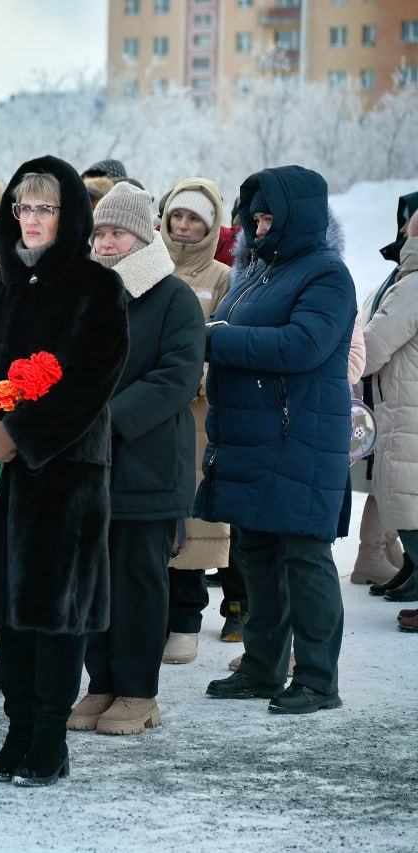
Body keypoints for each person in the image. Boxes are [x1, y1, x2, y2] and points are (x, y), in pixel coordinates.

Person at [0, 157, 129, 786]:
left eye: (45, 207)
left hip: (62, 474)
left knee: (55, 612)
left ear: (69, 214)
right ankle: (17, 729)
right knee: (9, 612)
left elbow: (93, 382)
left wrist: (21, 434)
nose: (31, 219)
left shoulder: (97, 289)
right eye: (23, 206)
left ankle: (49, 738)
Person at [200, 166, 355, 715]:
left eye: (268, 218)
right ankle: (263, 670)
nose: (258, 229)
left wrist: (215, 339)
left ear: (298, 216)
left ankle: (317, 680)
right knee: (258, 556)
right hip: (253, 437)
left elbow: (301, 346)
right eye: (255, 218)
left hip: (300, 439)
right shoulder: (258, 274)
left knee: (304, 560)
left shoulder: (327, 275)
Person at [67, 182, 203, 736]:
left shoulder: (173, 297)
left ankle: (138, 692)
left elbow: (178, 376)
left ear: (142, 236)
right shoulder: (83, 295)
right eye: (98, 232)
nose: (103, 242)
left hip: (145, 464)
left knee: (138, 582)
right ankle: (100, 684)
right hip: (85, 466)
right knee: (92, 582)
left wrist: (105, 420)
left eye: (115, 232)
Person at [159, 178, 244, 660]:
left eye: (195, 219)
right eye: (178, 216)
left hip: (196, 416)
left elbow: (225, 341)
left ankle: (187, 621)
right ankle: (155, 617)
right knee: (152, 517)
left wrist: (192, 376)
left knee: (195, 520)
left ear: (212, 227)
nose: (185, 226)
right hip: (152, 414)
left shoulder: (222, 277)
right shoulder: (147, 269)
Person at [363, 214, 418, 606]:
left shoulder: (412, 287)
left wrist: (344, 352)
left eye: (409, 228)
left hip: (407, 410)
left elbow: (373, 347)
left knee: (406, 502)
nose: (401, 233)